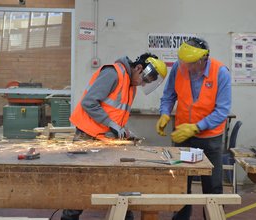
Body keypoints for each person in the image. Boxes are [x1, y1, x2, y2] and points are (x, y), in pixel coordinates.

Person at [61, 53, 167, 220]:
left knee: (117, 181)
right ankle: (68, 218)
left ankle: (124, 216)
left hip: (107, 139)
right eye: (144, 80)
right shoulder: (113, 74)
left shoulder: (130, 85)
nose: (143, 84)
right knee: (81, 184)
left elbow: (116, 114)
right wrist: (111, 124)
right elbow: (89, 102)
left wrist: (124, 130)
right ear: (139, 68)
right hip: (87, 137)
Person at [156, 37, 231, 220]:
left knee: (212, 188)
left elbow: (222, 111)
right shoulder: (179, 67)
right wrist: (165, 113)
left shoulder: (220, 72)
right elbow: (168, 96)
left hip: (210, 139)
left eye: (190, 64)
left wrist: (197, 127)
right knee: (180, 186)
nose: (186, 68)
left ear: (203, 59)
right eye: (183, 63)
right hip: (183, 137)